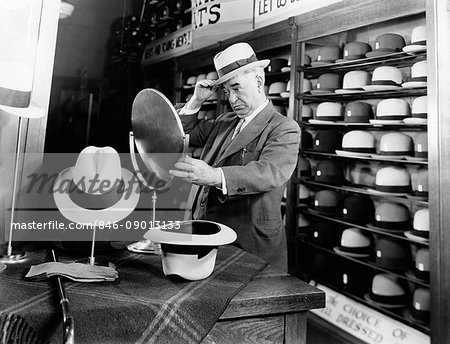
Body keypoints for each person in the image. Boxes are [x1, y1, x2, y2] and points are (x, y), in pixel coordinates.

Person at [169, 42, 300, 270]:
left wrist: (214, 176)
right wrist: (196, 100)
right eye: (227, 91)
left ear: (259, 81)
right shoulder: (223, 122)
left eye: (237, 88)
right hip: (207, 236)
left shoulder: (283, 127)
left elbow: (270, 173)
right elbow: (178, 133)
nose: (231, 99)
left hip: (250, 246)